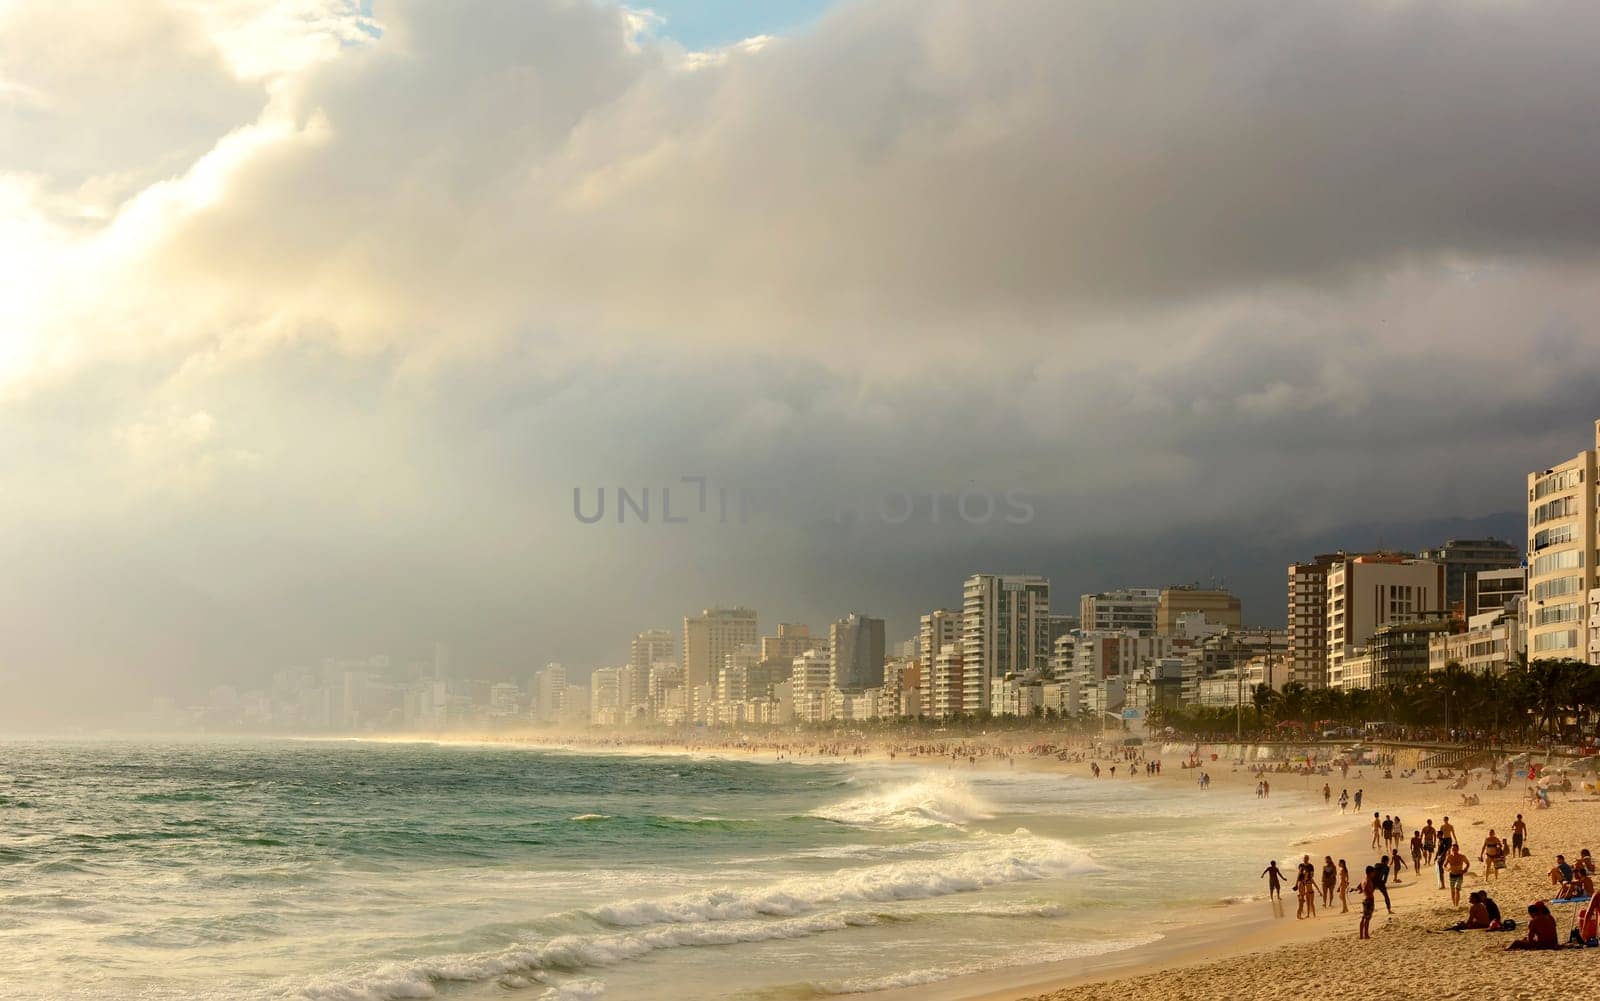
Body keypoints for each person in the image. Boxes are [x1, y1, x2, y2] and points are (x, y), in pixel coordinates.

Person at [1359, 866, 1376, 939]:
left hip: (1365, 899)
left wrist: (1362, 890)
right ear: (1370, 872)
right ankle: (1366, 935)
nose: (1374, 874)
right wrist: (1369, 892)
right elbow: (1365, 887)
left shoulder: (1363, 879)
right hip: (1369, 900)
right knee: (1367, 918)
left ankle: (1361, 935)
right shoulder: (1368, 880)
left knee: (1364, 917)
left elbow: (1360, 887)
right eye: (1373, 872)